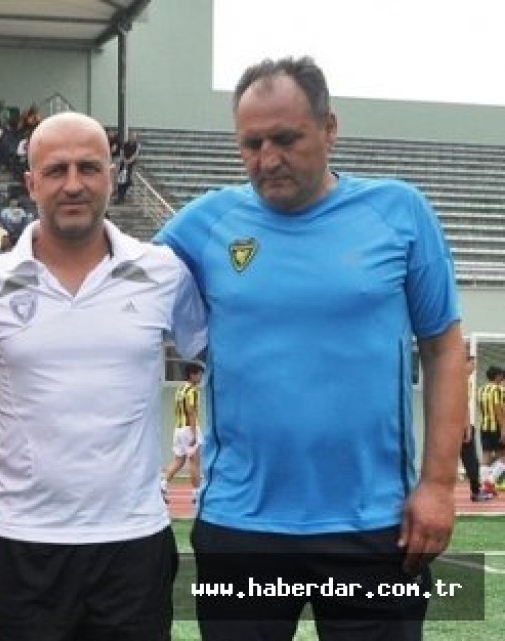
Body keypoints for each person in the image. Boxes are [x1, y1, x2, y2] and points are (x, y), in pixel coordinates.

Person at [156, 56, 464, 640]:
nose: (268, 159)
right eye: (251, 144)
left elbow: (445, 350)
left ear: (329, 128)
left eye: (286, 138)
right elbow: (110, 279)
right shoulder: (205, 223)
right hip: (240, 524)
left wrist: (437, 486)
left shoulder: (399, 212)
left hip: (375, 524)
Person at [0, 111, 207, 640]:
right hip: (25, 545)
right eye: (56, 170)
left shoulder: (163, 272)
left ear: (112, 176)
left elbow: (222, 359)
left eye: (88, 168)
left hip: (134, 545)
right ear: (31, 182)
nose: (73, 184)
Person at [162, 362, 204, 503]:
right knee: (195, 462)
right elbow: (191, 412)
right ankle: (197, 493)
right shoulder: (192, 391)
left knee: (179, 461)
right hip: (188, 429)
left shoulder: (180, 389)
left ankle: (163, 484)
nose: (200, 377)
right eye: (199, 374)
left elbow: (177, 410)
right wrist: (194, 433)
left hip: (178, 429)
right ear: (192, 375)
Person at [463, 355, 492, 502]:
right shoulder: (461, 382)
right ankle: (476, 491)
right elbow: (463, 406)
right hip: (459, 427)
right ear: (464, 363)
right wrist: (467, 427)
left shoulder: (465, 382)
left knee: (472, 461)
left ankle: (476, 490)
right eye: (472, 364)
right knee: (471, 461)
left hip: (454, 426)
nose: (474, 367)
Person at [477, 365, 504, 499]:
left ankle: (484, 487)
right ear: (497, 376)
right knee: (503, 455)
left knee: (486, 456)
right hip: (496, 427)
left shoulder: (481, 389)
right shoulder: (497, 390)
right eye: (502, 376)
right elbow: (499, 410)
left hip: (484, 426)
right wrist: (503, 429)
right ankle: (490, 481)